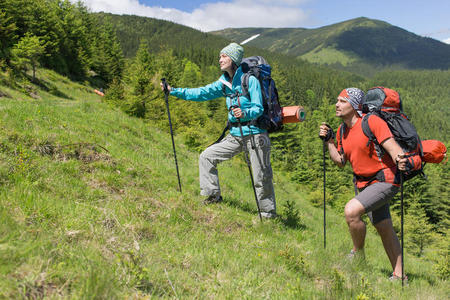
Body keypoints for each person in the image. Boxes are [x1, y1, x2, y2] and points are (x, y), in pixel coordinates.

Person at [160, 43, 276, 218]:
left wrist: (245, 112)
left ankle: (268, 214)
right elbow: (201, 93)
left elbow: (258, 108)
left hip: (256, 133)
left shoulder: (249, 79)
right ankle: (212, 196)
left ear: (234, 59)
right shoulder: (223, 83)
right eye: (220, 56)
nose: (220, 59)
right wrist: (174, 91)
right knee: (207, 156)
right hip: (235, 134)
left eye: (224, 56)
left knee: (261, 176)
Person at [319, 87, 412, 280]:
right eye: (337, 100)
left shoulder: (371, 122)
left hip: (384, 179)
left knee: (351, 212)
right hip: (362, 183)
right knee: (384, 226)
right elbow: (340, 162)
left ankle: (357, 253)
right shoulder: (342, 130)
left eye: (343, 101)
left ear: (354, 106)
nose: (337, 104)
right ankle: (400, 275)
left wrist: (400, 159)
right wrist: (329, 142)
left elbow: (391, 146)